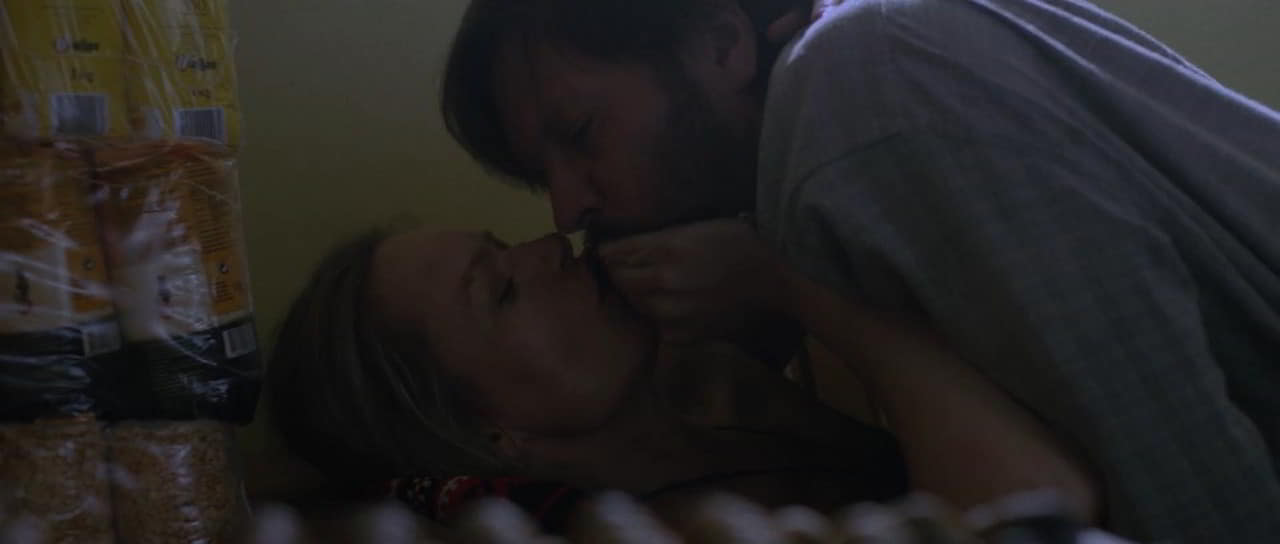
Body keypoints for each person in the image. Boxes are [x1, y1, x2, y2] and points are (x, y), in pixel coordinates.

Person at [438, 0, 1280, 540]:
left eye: (581, 134)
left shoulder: (857, 89)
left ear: (722, 46)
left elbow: (1187, 493)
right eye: (543, 173)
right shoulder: (835, 121)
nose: (565, 211)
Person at [266, 227, 1097, 530]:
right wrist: (798, 283)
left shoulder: (734, 390)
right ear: (489, 433)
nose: (550, 246)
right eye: (503, 291)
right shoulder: (679, 529)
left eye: (505, 245)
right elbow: (1040, 516)